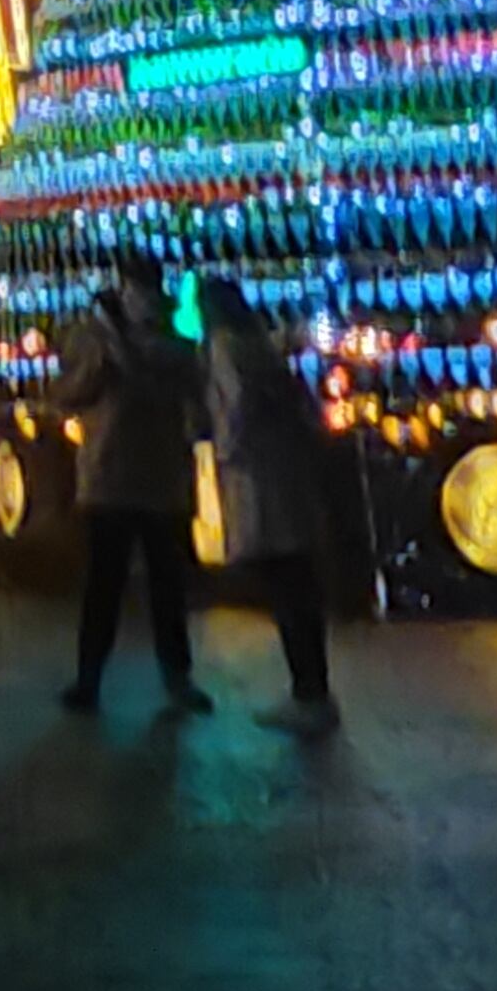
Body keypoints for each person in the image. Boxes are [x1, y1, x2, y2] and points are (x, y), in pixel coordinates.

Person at [50, 250, 211, 714]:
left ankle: (174, 677)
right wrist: (100, 361)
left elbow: (183, 385)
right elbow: (69, 393)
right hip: (114, 476)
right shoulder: (97, 336)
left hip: (152, 477)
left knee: (164, 584)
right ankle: (90, 677)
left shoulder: (172, 336)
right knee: (106, 584)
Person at [195, 276, 339, 735]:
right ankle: (313, 688)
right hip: (285, 470)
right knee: (297, 580)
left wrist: (223, 451)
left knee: (285, 583)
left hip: (257, 475)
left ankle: (308, 692)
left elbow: (234, 404)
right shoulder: (258, 342)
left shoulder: (222, 346)